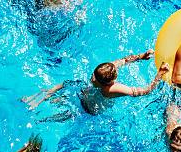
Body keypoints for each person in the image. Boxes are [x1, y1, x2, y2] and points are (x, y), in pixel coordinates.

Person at [22, 49, 169, 114]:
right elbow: (145, 91)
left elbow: (122, 61)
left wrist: (140, 56)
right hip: (89, 109)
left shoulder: (98, 73)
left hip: (83, 92)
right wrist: (160, 74)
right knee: (66, 109)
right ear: (112, 80)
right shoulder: (111, 89)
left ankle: (40, 97)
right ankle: (45, 101)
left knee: (67, 84)